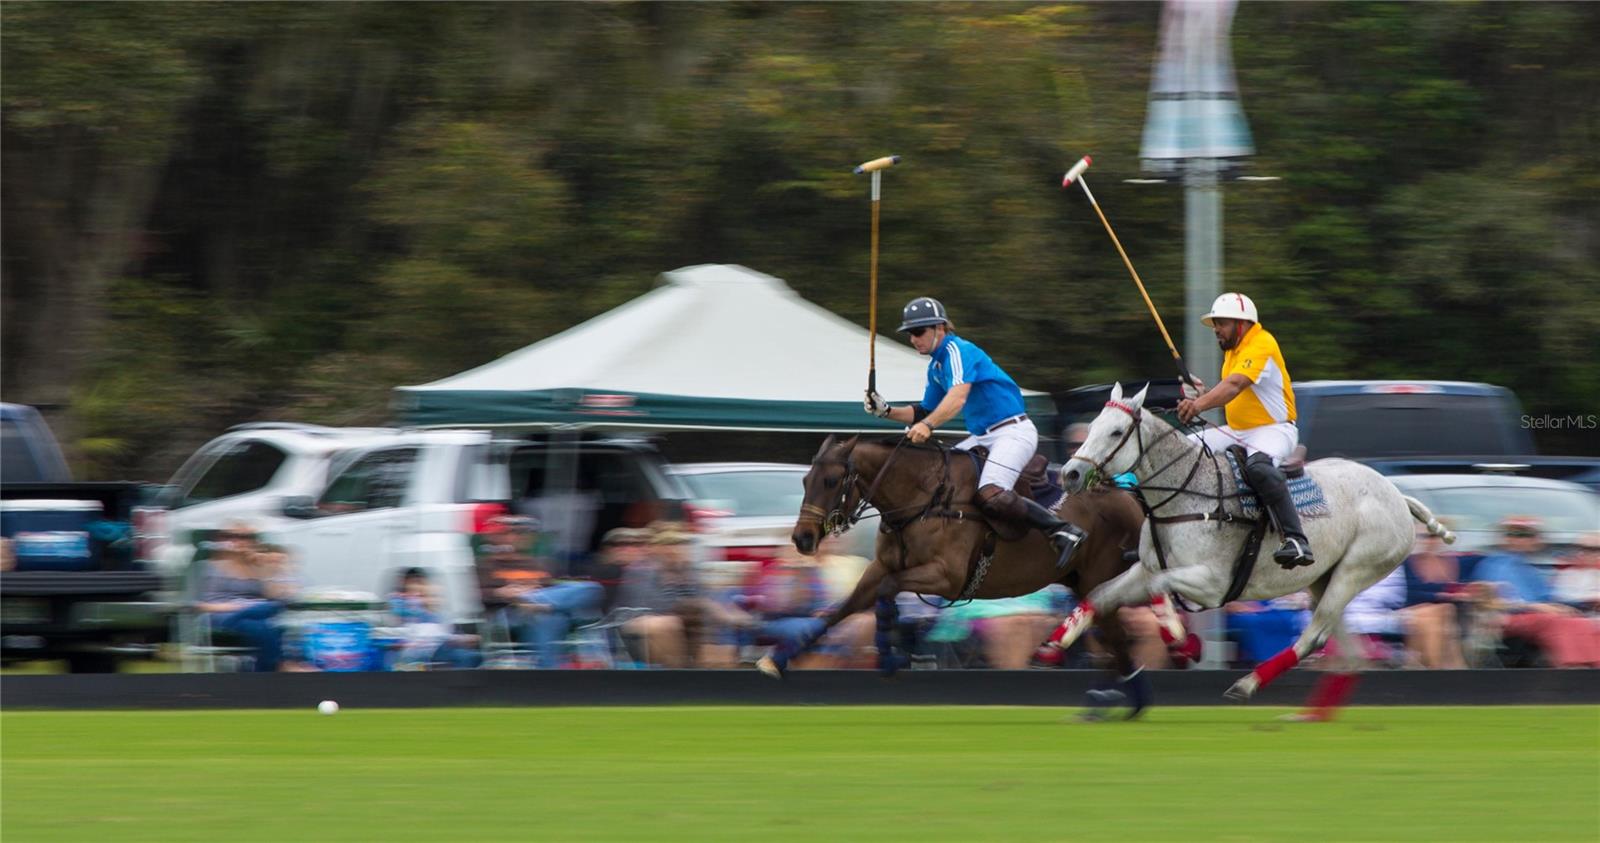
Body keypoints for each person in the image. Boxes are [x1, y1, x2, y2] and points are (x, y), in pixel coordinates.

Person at [864, 296, 1084, 568]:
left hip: (1013, 432)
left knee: (991, 491)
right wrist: (886, 411)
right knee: (937, 478)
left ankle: (1062, 530)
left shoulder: (958, 351)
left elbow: (957, 398)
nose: (913, 339)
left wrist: (928, 426)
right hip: (982, 436)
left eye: (919, 331)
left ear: (940, 328)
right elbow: (923, 411)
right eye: (910, 333)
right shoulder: (936, 367)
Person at [1176, 292, 1314, 568]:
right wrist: (1202, 393)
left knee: (1259, 468)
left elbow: (1235, 385)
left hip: (1274, 430)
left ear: (1243, 324)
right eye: (1215, 323)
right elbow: (1235, 393)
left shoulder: (1261, 342)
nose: (1216, 329)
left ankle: (1297, 540)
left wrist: (1199, 403)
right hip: (1237, 430)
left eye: (1222, 323)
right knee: (1177, 452)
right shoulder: (1233, 352)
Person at [1466, 517, 1600, 668]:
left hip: (1535, 617)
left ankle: (1590, 668)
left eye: (1527, 535)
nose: (1520, 540)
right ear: (1505, 539)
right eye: (1515, 535)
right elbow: (1498, 600)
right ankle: (1572, 669)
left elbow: (1550, 597)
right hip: (1506, 618)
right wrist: (1537, 606)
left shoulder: (1529, 570)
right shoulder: (1495, 565)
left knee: (1581, 622)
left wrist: (1583, 603)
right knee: (1558, 622)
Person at [195, 523, 289, 672]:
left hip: (256, 615)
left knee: (269, 619)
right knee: (264, 621)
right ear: (221, 540)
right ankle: (279, 668)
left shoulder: (257, 567)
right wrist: (239, 607)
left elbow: (276, 596)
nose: (239, 541)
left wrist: (265, 569)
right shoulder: (208, 567)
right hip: (221, 616)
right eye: (231, 536)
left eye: (247, 537)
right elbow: (197, 605)